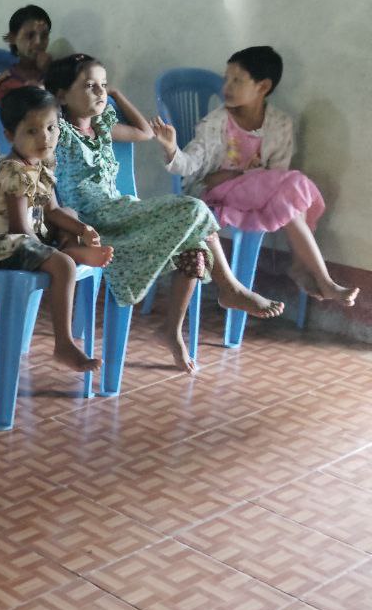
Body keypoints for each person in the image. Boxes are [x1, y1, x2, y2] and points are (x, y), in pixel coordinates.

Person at [48, 53, 283, 373]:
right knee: (194, 208)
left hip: (121, 211)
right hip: (92, 221)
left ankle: (172, 329)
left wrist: (117, 95)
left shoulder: (103, 126)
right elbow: (39, 153)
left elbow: (145, 132)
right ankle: (230, 288)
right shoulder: (59, 132)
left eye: (104, 84)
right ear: (62, 95)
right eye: (90, 86)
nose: (101, 92)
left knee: (194, 246)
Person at [160, 46, 357, 307]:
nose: (226, 87)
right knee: (295, 184)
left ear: (263, 87)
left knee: (290, 189)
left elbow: (278, 174)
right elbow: (191, 164)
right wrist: (171, 149)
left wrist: (243, 173)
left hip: (260, 197)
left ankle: (311, 272)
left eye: (237, 80)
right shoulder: (216, 123)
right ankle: (316, 275)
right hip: (219, 194)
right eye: (226, 79)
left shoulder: (280, 124)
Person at [0, 87, 113, 371]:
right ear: (11, 135)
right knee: (64, 266)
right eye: (32, 131)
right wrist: (54, 255)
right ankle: (64, 344)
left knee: (69, 214)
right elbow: (20, 229)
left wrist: (83, 228)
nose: (45, 138)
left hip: (26, 232)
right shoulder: (14, 171)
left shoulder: (40, 163)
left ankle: (71, 249)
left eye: (51, 128)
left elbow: (53, 211)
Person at [0, 5, 52, 105]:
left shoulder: (53, 70)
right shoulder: (6, 84)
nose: (38, 42)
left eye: (44, 35)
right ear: (12, 38)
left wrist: (48, 71)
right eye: (30, 35)